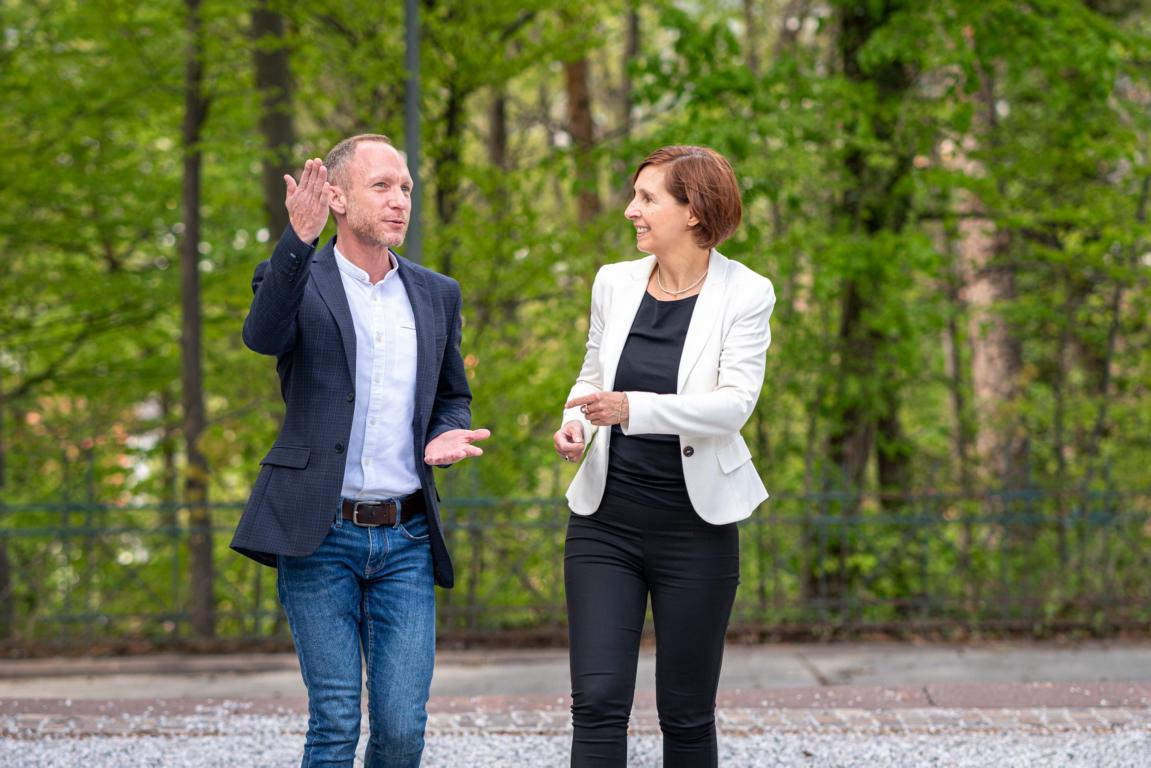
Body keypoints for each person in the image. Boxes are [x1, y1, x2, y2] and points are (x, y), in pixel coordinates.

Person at [231, 134, 490, 768]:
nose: (400, 200)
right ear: (338, 197)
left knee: (402, 728)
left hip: (405, 538)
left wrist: (443, 432)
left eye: (405, 187)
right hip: (318, 532)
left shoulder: (436, 294)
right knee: (337, 718)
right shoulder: (296, 277)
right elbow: (263, 336)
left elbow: (453, 394)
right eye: (382, 186)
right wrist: (298, 240)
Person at [553, 145, 775, 767]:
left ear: (695, 213)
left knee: (685, 711)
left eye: (648, 198)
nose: (632, 210)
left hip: (695, 530)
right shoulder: (613, 282)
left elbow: (733, 406)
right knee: (595, 701)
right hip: (605, 523)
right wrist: (576, 421)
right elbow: (591, 375)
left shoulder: (747, 293)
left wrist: (633, 410)